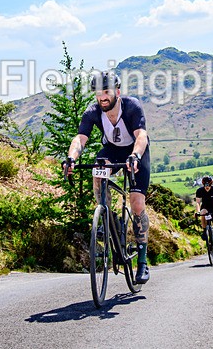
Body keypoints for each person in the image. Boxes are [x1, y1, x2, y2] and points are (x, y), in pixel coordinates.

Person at [63, 71, 151, 284]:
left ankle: (142, 261)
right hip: (111, 150)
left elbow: (141, 136)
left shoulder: (131, 106)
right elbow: (80, 138)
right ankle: (105, 216)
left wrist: (135, 156)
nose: (102, 97)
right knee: (97, 169)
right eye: (98, 93)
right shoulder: (93, 111)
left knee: (137, 204)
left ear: (117, 92)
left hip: (135, 152)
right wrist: (71, 158)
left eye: (106, 92)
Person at [195, 176, 213, 259]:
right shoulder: (199, 191)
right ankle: (204, 230)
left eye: (208, 185)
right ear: (203, 184)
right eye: (205, 185)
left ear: (211, 184)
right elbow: (198, 203)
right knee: (202, 213)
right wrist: (198, 211)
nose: (207, 187)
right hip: (205, 208)